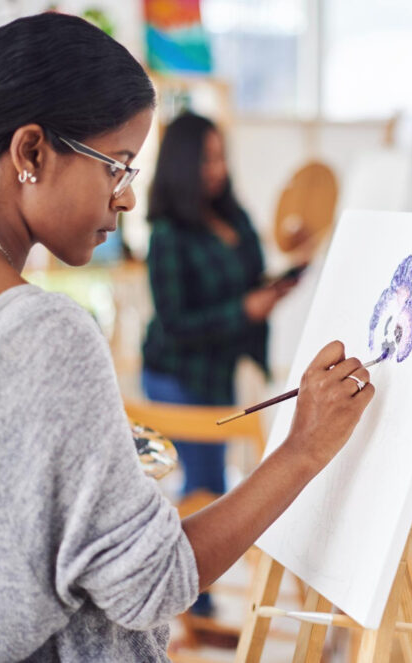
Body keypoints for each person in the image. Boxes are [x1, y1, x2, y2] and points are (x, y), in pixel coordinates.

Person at [0, 13, 373, 662]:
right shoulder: (44, 334)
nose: (125, 200)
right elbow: (155, 581)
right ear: (31, 152)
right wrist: (303, 449)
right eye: (116, 166)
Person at [140, 112, 292, 615]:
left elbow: (250, 278)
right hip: (176, 374)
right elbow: (177, 322)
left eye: (221, 155)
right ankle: (193, 609)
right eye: (206, 158)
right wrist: (245, 309)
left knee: (212, 486)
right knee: (204, 492)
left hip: (219, 371)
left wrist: (278, 284)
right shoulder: (167, 233)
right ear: (182, 164)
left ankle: (197, 606)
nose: (218, 168)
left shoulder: (233, 216)